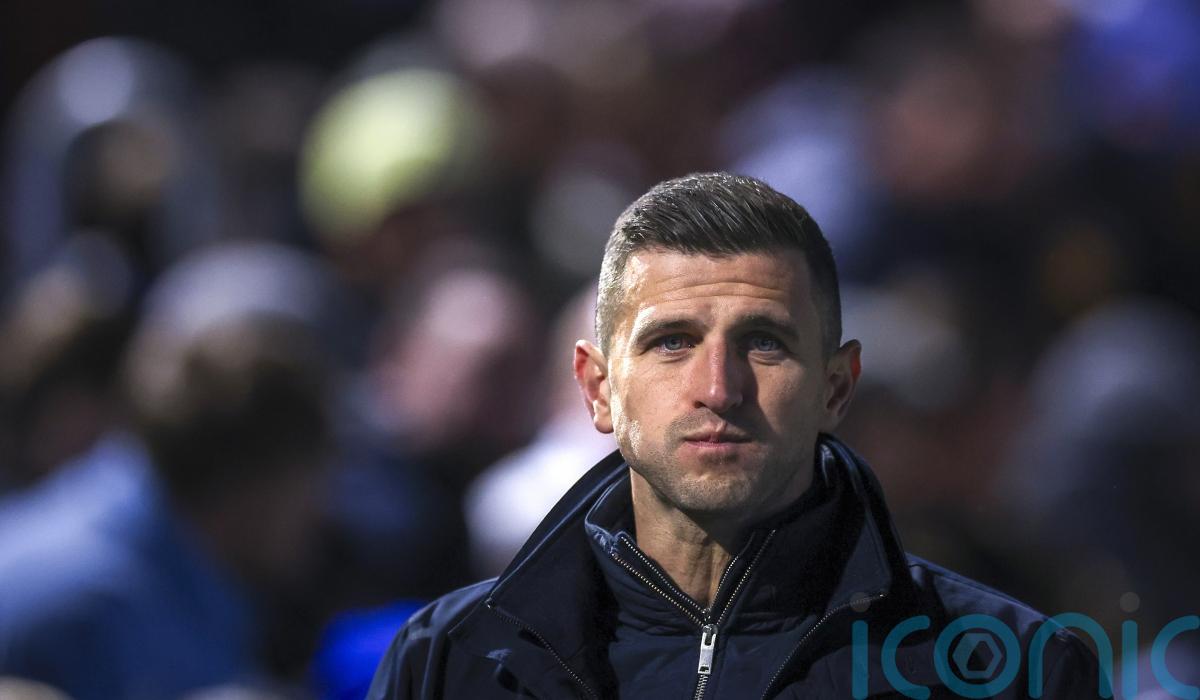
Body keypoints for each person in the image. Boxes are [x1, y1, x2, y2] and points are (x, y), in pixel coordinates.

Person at [368, 173, 1102, 698]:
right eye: (672, 343)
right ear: (598, 389)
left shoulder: (1014, 669)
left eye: (764, 343)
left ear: (836, 388)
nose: (719, 389)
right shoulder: (449, 661)